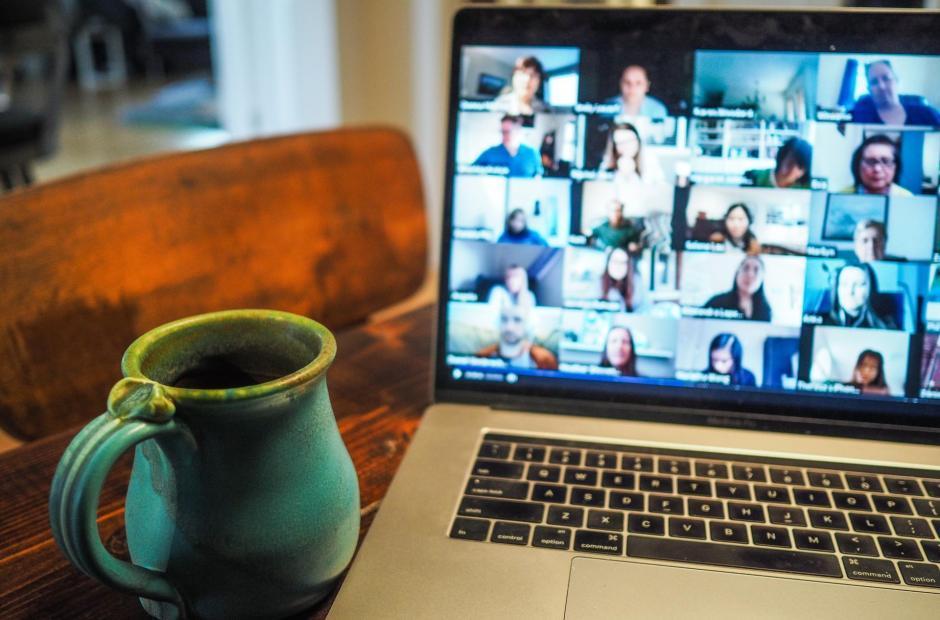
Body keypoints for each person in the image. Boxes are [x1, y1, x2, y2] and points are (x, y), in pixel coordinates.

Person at [850, 60, 940, 127]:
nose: (882, 86)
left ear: (896, 81)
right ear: (869, 89)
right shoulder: (858, 117)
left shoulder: (926, 113)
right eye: (874, 82)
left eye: (886, 78)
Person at [475, 303, 558, 370]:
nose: (509, 327)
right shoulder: (483, 356)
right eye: (504, 319)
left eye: (517, 320)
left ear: (527, 325)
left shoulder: (545, 360)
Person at [823, 263, 897, 329]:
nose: (850, 291)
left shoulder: (886, 326)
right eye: (844, 284)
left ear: (870, 289)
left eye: (859, 284)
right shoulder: (823, 322)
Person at [704, 255, 772, 321]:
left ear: (762, 278)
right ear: (737, 272)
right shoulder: (716, 303)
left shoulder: (766, 310)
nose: (750, 274)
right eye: (746, 268)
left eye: (756, 270)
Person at [473, 114, 543, 178]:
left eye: (507, 132)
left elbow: (538, 177)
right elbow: (471, 172)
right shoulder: (490, 153)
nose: (504, 135)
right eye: (502, 132)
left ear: (517, 130)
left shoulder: (532, 153)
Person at [840, 135, 912, 196]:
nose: (877, 169)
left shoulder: (906, 198)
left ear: (896, 166)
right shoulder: (841, 196)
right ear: (857, 165)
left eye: (885, 161)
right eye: (870, 161)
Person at [599, 121, 665, 186]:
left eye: (629, 141)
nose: (626, 146)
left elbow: (662, 189)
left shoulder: (650, 160)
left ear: (638, 141)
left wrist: (631, 175)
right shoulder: (607, 163)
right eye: (620, 143)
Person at [743, 138, 813, 189]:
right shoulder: (756, 178)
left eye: (800, 167)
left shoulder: (806, 188)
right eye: (790, 163)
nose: (793, 170)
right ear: (781, 158)